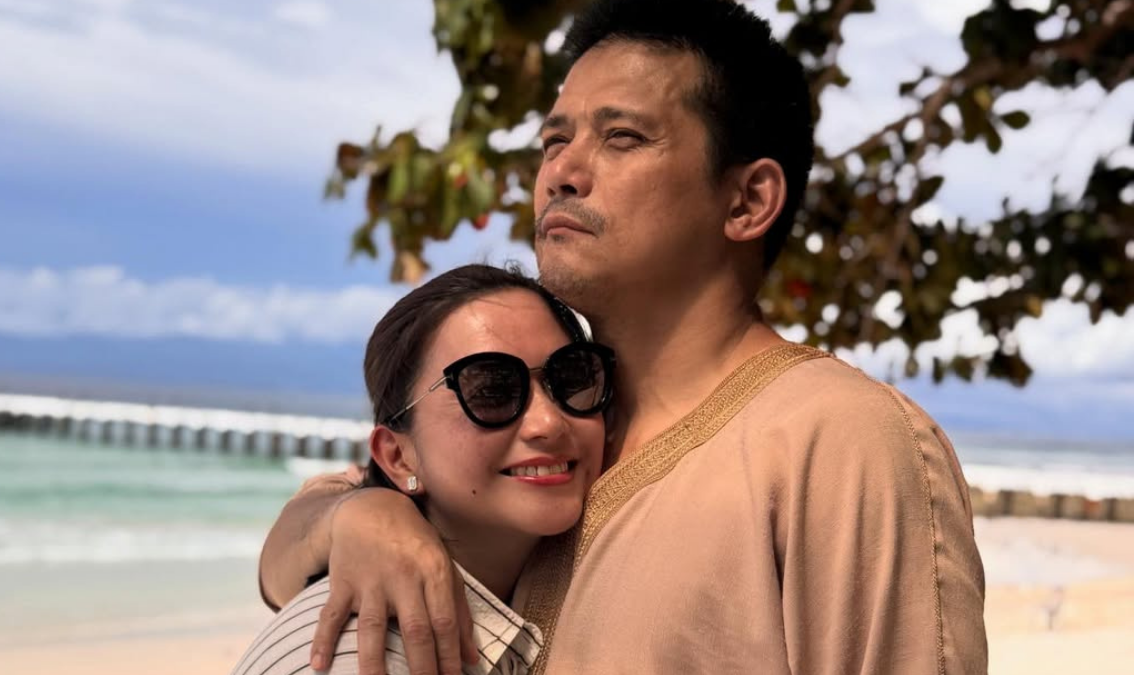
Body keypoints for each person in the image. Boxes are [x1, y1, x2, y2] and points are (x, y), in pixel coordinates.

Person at [259, 1, 989, 674]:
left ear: (747, 200)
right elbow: (293, 543)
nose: (561, 173)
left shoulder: (839, 439)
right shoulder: (563, 431)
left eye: (622, 138)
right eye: (555, 140)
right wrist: (361, 515)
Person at [234, 265, 613, 674]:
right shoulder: (361, 655)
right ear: (398, 457)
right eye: (490, 391)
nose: (548, 423)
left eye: (571, 378)